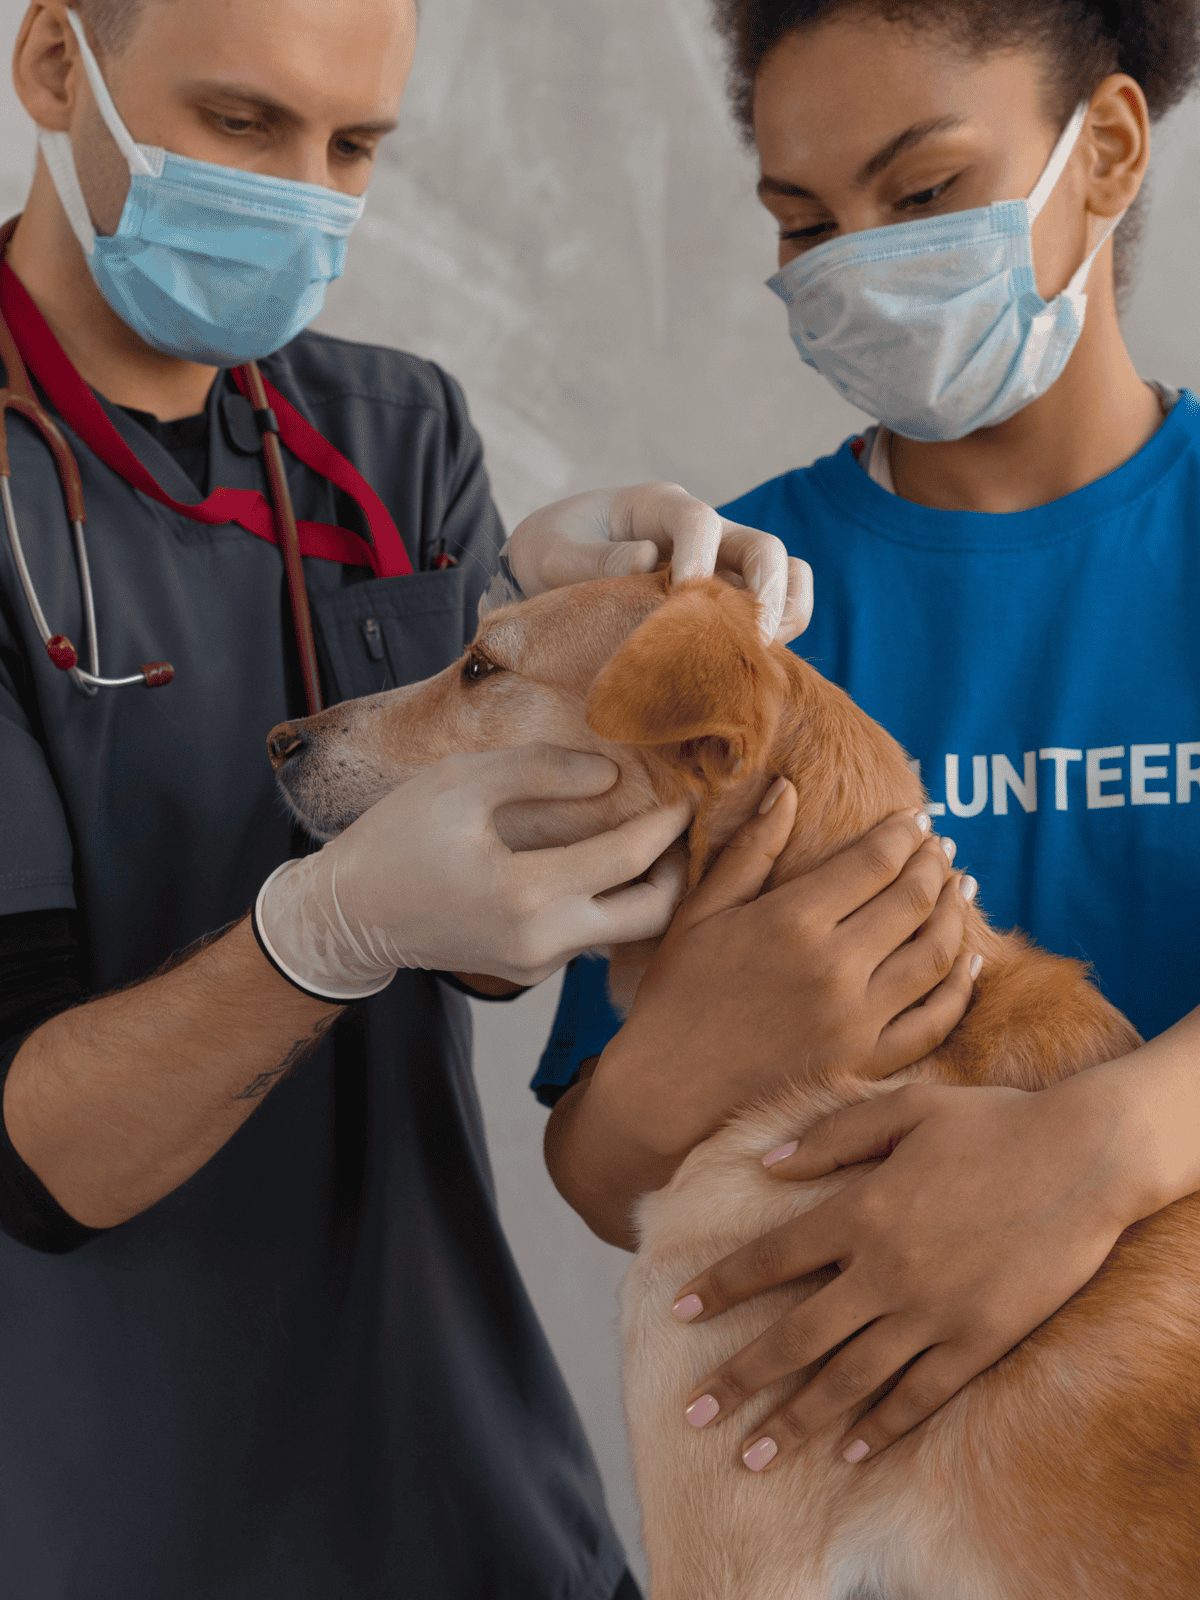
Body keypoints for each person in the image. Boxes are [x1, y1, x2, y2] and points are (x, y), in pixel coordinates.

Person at [0, 1, 983, 1594]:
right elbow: (42, 1157)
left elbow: (499, 940)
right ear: (57, 66)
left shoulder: (390, 434)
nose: (307, 196)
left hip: (456, 1489)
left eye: (356, 146)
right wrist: (326, 928)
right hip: (109, 1500)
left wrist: (569, 638)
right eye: (246, 125)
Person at [542, 0, 1200, 1482]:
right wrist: (671, 1068)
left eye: (921, 196)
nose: (856, 265)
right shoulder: (729, 615)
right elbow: (597, 1167)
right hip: (888, 1512)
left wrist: (1103, 1150)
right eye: (802, 221)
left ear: (1103, 149)